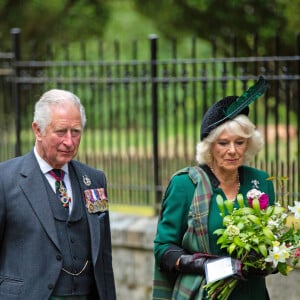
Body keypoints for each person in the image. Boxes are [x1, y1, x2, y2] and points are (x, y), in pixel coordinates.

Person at [152, 76, 275, 300]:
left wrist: (273, 260)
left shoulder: (261, 182)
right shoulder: (185, 185)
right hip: (203, 294)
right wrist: (205, 264)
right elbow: (163, 248)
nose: (232, 151)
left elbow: (273, 238)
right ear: (209, 145)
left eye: (239, 142)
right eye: (223, 143)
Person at [0, 89, 116, 300]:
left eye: (76, 132)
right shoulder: (5, 180)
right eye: (61, 132)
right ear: (38, 130)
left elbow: (104, 258)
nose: (70, 142)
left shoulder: (94, 180)